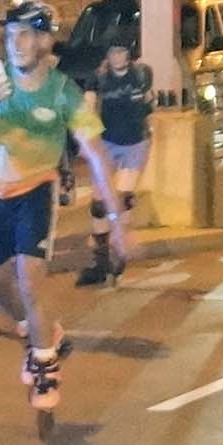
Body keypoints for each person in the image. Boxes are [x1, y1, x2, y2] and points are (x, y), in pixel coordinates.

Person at [0, 0, 127, 418]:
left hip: (33, 191)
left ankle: (45, 365)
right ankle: (42, 333)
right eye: (10, 34)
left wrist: (118, 220)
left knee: (30, 281)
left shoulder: (64, 93)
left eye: (26, 34)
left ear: (46, 41)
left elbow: (97, 154)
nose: (16, 43)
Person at [75, 36, 155, 286]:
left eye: (121, 51)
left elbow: (148, 103)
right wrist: (87, 138)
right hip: (108, 143)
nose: (117, 57)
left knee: (122, 198)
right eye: (112, 52)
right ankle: (100, 262)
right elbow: (88, 108)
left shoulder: (141, 74)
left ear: (128, 54)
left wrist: (149, 125)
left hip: (134, 143)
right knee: (99, 204)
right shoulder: (99, 78)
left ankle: (118, 251)